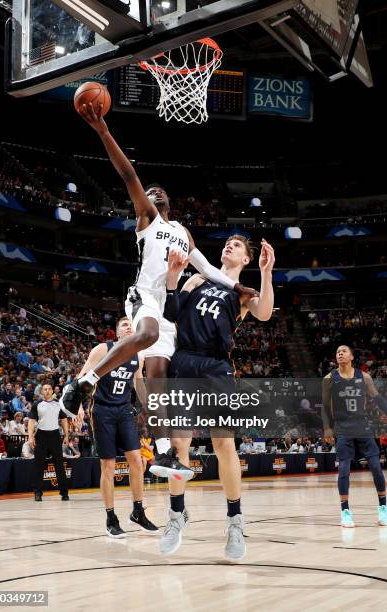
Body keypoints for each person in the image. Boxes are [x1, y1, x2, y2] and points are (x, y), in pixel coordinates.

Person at [61, 102, 259, 480]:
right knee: (146, 333)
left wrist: (239, 286)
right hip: (144, 297)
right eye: (149, 192)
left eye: (158, 191)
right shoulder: (147, 219)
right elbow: (128, 174)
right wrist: (103, 131)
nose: (153, 192)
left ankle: (166, 451)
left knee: (160, 379)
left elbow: (208, 270)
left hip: (170, 310)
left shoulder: (184, 232)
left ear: (170, 201)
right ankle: (84, 383)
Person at [158, 235, 275, 560]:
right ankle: (176, 515)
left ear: (247, 258)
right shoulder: (198, 277)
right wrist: (173, 278)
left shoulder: (241, 293)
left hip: (215, 366)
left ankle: (235, 520)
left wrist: (266, 273)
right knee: (179, 443)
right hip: (184, 359)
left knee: (223, 443)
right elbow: (171, 313)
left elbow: (264, 313)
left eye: (238, 245)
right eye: (227, 243)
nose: (229, 246)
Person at [77, 317, 158, 537]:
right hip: (102, 411)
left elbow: (138, 384)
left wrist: (151, 406)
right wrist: (78, 407)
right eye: (124, 324)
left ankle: (138, 511)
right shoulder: (103, 349)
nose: (129, 326)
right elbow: (81, 376)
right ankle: (111, 517)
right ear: (117, 332)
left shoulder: (138, 356)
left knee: (137, 461)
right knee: (109, 467)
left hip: (124, 411)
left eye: (131, 323)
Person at [322, 345, 387, 528]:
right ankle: (345, 512)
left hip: (363, 427)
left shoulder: (364, 377)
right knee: (343, 470)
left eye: (343, 351)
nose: (340, 353)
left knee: (375, 466)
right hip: (342, 428)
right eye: (337, 352)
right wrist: (327, 428)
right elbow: (325, 407)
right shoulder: (329, 379)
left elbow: (377, 398)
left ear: (351, 356)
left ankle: (383, 508)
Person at [28, 383, 70, 502]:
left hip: (55, 435)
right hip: (41, 436)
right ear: (42, 392)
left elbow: (64, 419)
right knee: (38, 466)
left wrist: (66, 435)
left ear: (52, 391)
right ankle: (37, 493)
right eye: (45, 389)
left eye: (49, 389)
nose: (47, 391)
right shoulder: (37, 404)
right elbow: (31, 421)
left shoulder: (58, 404)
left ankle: (64, 493)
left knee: (59, 465)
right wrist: (31, 437)